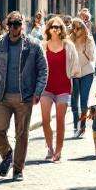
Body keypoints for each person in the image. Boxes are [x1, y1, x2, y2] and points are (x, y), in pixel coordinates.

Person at [0, 11, 46, 180]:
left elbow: (43, 69)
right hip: (2, 96)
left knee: (22, 134)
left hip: (24, 97)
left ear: (22, 26)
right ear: (7, 25)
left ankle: (18, 169)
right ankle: (7, 155)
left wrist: (38, 91)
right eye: (11, 24)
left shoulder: (33, 45)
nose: (13, 28)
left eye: (17, 24)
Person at [39, 16, 79, 163]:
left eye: (58, 27)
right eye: (53, 27)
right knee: (45, 120)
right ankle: (50, 148)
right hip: (46, 88)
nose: (55, 29)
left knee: (60, 120)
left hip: (63, 87)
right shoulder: (43, 46)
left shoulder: (68, 45)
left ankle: (58, 150)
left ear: (62, 29)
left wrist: (72, 75)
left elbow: (75, 64)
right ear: (48, 29)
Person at [69, 19, 96, 137]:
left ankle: (82, 126)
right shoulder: (70, 40)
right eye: (74, 28)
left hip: (87, 72)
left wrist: (83, 50)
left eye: (78, 28)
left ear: (83, 28)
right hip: (74, 73)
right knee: (73, 102)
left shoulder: (89, 39)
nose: (76, 30)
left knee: (83, 101)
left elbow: (92, 58)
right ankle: (75, 125)